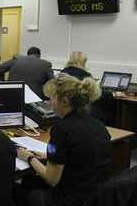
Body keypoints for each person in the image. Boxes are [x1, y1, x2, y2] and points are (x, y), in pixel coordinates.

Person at [14, 74, 111, 206]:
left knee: (10, 189)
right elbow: (81, 154)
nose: (48, 103)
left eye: (51, 99)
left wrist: (30, 158)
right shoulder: (97, 123)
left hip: (67, 201)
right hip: (94, 196)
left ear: (65, 102)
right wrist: (50, 156)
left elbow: (51, 179)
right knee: (29, 179)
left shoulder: (62, 129)